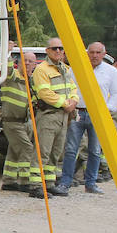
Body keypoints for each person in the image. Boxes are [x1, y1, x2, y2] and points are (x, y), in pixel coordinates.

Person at [59, 41, 117, 195]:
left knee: (94, 150)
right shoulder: (77, 69)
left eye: (98, 52)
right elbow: (68, 89)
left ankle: (91, 183)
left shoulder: (111, 72)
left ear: (104, 54)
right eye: (92, 52)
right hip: (78, 113)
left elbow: (116, 93)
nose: (94, 55)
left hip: (98, 114)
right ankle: (65, 182)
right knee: (71, 149)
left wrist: (108, 109)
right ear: (87, 53)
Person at [33, 37, 77, 197]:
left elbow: (73, 87)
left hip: (63, 116)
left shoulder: (65, 68)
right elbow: (44, 93)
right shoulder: (42, 69)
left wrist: (73, 100)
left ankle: (49, 183)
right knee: (42, 151)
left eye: (60, 48)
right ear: (47, 51)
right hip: (49, 115)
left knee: (56, 152)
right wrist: (65, 103)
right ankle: (36, 185)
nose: (58, 51)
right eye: (54, 48)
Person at [0, 49, 43, 195]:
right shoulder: (12, 76)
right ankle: (25, 181)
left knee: (13, 151)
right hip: (12, 122)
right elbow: (7, 67)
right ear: (18, 63)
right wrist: (8, 52)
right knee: (27, 149)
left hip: (25, 122)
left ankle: (9, 181)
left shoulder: (31, 81)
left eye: (31, 61)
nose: (28, 63)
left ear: (35, 64)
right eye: (25, 60)